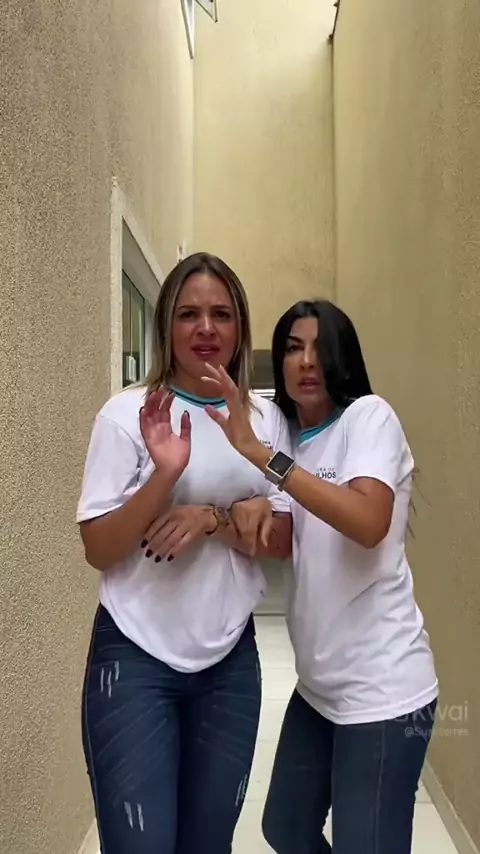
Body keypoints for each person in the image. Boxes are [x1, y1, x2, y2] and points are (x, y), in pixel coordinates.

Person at [201, 298, 438, 854]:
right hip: (318, 691)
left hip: (383, 691)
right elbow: (283, 540)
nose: (306, 360)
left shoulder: (369, 418)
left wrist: (266, 461)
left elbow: (369, 522)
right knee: (285, 828)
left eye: (319, 347)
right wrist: (217, 516)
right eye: (292, 348)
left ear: (342, 357)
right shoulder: (291, 437)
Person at [76, 252, 292, 854]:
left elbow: (286, 538)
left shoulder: (267, 423)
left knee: (208, 843)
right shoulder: (125, 415)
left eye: (221, 314)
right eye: (188, 314)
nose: (205, 328)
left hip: (229, 663)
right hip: (134, 658)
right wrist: (164, 475)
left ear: (240, 327)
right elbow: (99, 548)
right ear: (165, 325)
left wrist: (213, 518)